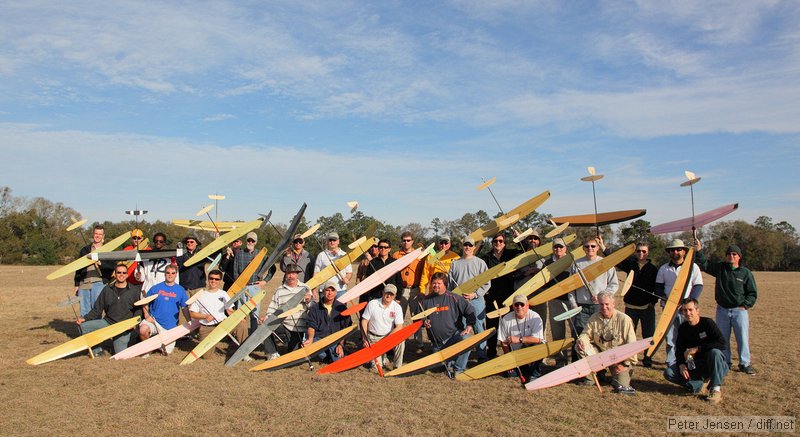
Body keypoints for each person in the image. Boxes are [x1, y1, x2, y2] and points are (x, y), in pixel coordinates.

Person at [694, 240, 757, 375]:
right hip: (722, 310)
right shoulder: (720, 268)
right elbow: (705, 265)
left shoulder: (745, 273)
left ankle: (745, 363)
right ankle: (725, 362)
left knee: (742, 338)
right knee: (722, 338)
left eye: (734, 254)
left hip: (739, 311)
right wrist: (699, 251)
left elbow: (752, 293)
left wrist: (745, 305)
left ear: (739, 256)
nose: (731, 256)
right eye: (729, 254)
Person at [663, 298, 728, 403]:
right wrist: (681, 364)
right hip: (693, 363)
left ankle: (715, 389)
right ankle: (699, 385)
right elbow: (679, 350)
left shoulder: (708, 323)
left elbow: (721, 343)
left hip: (711, 362)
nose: (688, 313)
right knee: (669, 373)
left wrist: (697, 349)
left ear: (697, 311)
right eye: (684, 310)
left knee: (715, 352)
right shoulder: (683, 328)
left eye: (690, 310)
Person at [574, 292, 638, 395]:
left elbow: (632, 345)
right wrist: (581, 341)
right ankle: (591, 378)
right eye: (601, 304)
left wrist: (625, 364)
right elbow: (585, 334)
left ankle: (617, 377)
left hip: (619, 358)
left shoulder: (624, 319)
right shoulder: (594, 317)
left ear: (613, 304)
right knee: (580, 347)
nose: (604, 307)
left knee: (620, 385)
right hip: (601, 355)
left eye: (607, 304)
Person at [76, 264, 142, 356]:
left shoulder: (134, 291)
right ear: (115, 274)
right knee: (83, 326)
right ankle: (96, 351)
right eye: (119, 272)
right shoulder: (107, 289)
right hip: (108, 322)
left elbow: (138, 310)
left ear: (127, 275)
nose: (121, 275)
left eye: (124, 273)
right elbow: (97, 309)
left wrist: (133, 323)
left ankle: (127, 339)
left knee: (120, 355)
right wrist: (85, 318)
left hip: (123, 326)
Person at [656, 239, 703, 367]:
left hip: (686, 309)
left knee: (689, 335)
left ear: (684, 251)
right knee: (671, 337)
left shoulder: (693, 267)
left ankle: (690, 360)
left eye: (678, 249)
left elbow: (698, 286)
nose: (675, 252)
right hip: (669, 308)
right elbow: (659, 286)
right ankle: (671, 361)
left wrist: (688, 303)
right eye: (672, 250)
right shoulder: (664, 268)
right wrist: (664, 297)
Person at [421, 272, 476, 376]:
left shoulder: (454, 297)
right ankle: (449, 361)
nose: (436, 285)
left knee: (467, 340)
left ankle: (458, 369)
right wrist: (424, 322)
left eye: (439, 283)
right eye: (433, 283)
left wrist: (469, 325)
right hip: (437, 343)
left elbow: (470, 311)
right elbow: (417, 317)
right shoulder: (426, 300)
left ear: (445, 284)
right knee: (439, 368)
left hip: (454, 338)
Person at [614, 242, 659, 367]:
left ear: (647, 253)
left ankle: (648, 358)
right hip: (631, 306)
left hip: (647, 307)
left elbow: (657, 287)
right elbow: (616, 260)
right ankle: (628, 357)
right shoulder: (630, 265)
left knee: (648, 335)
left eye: (644, 251)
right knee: (629, 334)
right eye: (639, 251)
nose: (641, 253)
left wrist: (652, 302)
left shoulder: (653, 269)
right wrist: (603, 248)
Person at [187, 269, 248, 358]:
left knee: (242, 325)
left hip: (223, 324)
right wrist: (205, 316)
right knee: (207, 357)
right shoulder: (200, 295)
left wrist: (239, 317)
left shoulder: (223, 294)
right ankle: (210, 346)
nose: (213, 281)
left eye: (217, 279)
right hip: (207, 328)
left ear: (220, 281)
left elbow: (229, 310)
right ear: (208, 279)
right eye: (211, 278)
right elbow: (192, 314)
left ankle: (244, 352)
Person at [449, 236, 490, 361]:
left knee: (479, 328)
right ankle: (458, 355)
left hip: (476, 300)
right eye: (465, 245)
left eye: (470, 245)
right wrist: (455, 297)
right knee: (458, 328)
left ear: (474, 247)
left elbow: (486, 283)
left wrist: (475, 294)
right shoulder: (455, 264)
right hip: (459, 301)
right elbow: (450, 285)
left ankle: (482, 356)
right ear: (462, 246)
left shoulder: (480, 263)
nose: (467, 247)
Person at [482, 232, 521, 359]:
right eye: (495, 241)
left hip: (507, 296)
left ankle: (509, 354)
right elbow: (480, 273)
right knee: (492, 326)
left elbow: (525, 248)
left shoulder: (510, 254)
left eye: (500, 241)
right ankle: (491, 353)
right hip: (491, 296)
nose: (498, 243)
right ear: (492, 243)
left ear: (504, 243)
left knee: (508, 325)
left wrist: (519, 236)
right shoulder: (486, 257)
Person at [262, 264, 313, 360]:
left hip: (300, 327)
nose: (291, 276)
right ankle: (272, 353)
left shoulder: (305, 288)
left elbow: (313, 308)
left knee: (293, 355)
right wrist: (267, 317)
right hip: (284, 324)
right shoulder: (279, 290)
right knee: (265, 327)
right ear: (285, 275)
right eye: (288, 273)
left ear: (297, 275)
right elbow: (272, 308)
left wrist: (308, 301)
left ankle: (292, 345)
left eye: (293, 273)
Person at [571, 237, 619, 336]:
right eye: (587, 246)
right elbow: (570, 288)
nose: (590, 248)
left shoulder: (606, 263)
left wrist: (601, 297)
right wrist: (574, 305)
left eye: (593, 246)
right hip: (581, 308)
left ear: (597, 248)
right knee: (580, 336)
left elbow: (613, 284)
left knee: (600, 335)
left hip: (600, 306)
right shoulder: (576, 264)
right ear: (583, 248)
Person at [138, 264, 189, 355]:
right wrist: (147, 315)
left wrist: (189, 321)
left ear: (176, 274)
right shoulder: (156, 288)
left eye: (173, 273)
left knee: (166, 352)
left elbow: (184, 307)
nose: (170, 275)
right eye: (168, 273)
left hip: (169, 326)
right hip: (154, 321)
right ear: (165, 274)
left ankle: (159, 343)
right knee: (143, 330)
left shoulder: (180, 290)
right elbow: (145, 302)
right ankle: (148, 349)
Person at [540, 237, 574, 366]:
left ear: (565, 248)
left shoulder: (571, 261)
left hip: (571, 300)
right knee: (557, 332)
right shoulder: (548, 263)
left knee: (574, 330)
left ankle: (576, 358)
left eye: (561, 247)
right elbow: (543, 281)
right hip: (555, 300)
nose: (558, 249)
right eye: (555, 247)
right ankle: (560, 360)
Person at [303, 280, 352, 363]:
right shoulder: (315, 308)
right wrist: (310, 339)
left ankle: (334, 354)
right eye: (327, 290)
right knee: (310, 343)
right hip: (320, 339)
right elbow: (311, 326)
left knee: (338, 360)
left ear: (336, 292)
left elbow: (345, 328)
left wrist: (340, 344)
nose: (330, 293)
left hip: (335, 340)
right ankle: (327, 355)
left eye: (332, 290)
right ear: (323, 292)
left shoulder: (342, 307)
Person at [498, 294, 544, 381]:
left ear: (527, 305)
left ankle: (535, 374)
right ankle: (523, 368)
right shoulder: (505, 319)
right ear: (513, 306)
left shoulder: (535, 317)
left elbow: (538, 339)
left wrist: (519, 339)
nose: (519, 307)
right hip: (515, 354)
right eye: (516, 304)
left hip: (531, 349)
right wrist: (509, 360)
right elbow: (503, 342)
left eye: (522, 304)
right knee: (510, 374)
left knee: (540, 347)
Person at [361, 284, 406, 370]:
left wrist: (387, 340)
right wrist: (364, 338)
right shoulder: (372, 303)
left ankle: (397, 367)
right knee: (377, 368)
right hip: (373, 338)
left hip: (388, 337)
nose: (388, 295)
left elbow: (399, 326)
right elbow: (364, 321)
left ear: (395, 296)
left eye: (391, 294)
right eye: (387, 293)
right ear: (382, 293)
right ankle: (382, 358)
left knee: (401, 341)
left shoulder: (397, 307)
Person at [74, 224, 114, 317]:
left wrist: (101, 263)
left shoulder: (108, 250)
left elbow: (112, 266)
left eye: (100, 234)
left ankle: (96, 330)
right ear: (93, 234)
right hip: (84, 283)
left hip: (99, 283)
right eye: (96, 233)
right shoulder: (85, 250)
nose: (97, 236)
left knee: (96, 310)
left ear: (103, 236)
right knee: (84, 311)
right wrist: (76, 284)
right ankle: (86, 330)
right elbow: (78, 268)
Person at [392, 231, 423, 319]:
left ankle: (418, 333)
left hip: (415, 290)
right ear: (401, 242)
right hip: (401, 290)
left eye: (408, 240)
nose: (406, 242)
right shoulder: (396, 255)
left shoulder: (419, 254)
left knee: (417, 318)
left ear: (412, 241)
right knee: (398, 318)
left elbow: (423, 272)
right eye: (404, 240)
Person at [313, 232, 353, 299]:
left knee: (341, 309)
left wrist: (346, 278)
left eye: (334, 240)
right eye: (330, 240)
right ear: (327, 242)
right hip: (324, 290)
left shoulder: (344, 255)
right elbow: (316, 273)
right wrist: (314, 289)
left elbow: (349, 272)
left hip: (340, 290)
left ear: (338, 241)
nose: (332, 242)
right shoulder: (321, 255)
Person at [361, 239, 400, 303]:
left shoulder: (395, 262)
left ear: (389, 249)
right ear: (378, 249)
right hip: (376, 296)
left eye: (385, 247)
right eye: (381, 247)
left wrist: (398, 297)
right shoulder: (372, 262)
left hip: (391, 295)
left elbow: (399, 281)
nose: (383, 249)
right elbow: (368, 280)